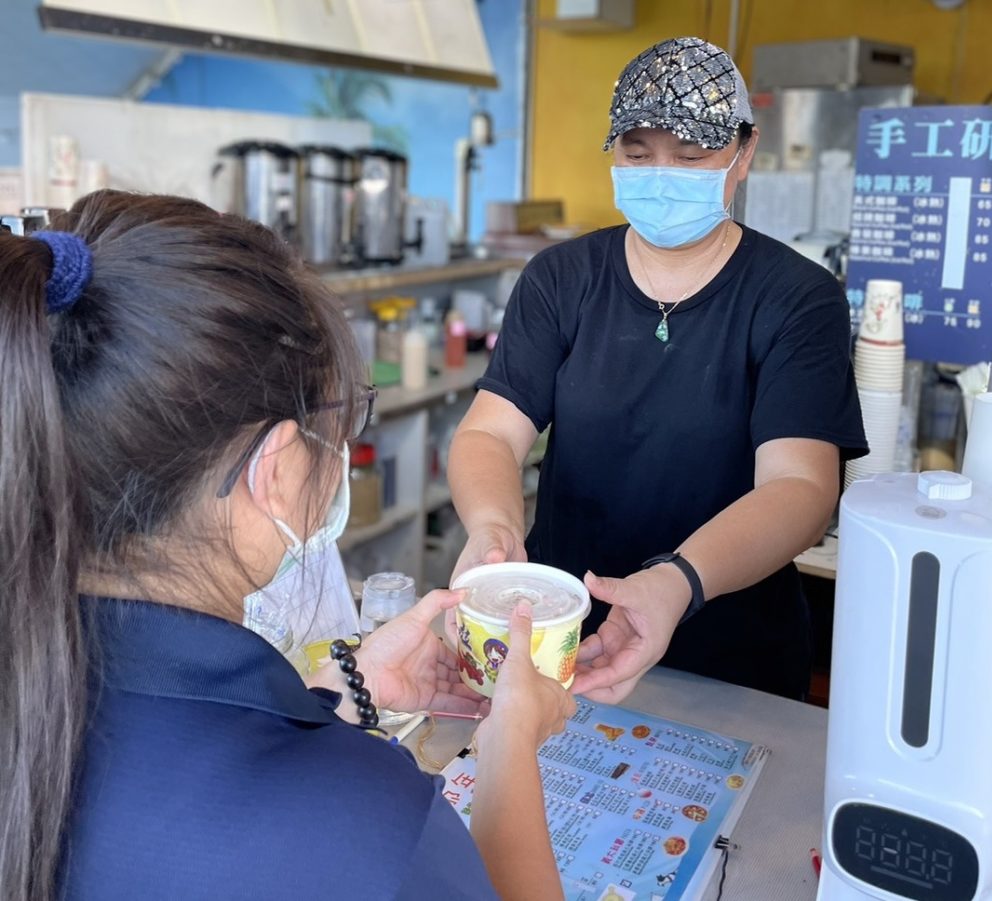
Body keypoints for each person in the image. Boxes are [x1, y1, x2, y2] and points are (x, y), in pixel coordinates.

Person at [0, 191, 574, 901]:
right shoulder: (366, 826)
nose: (343, 449)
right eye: (345, 419)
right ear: (273, 469)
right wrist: (511, 743)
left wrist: (345, 690)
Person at [448, 37, 867, 703]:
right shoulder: (561, 278)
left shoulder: (796, 298)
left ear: (744, 154)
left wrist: (678, 581)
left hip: (730, 653)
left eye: (691, 157)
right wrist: (493, 526)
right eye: (638, 155)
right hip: (563, 635)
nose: (662, 174)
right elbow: (490, 434)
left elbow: (800, 488)